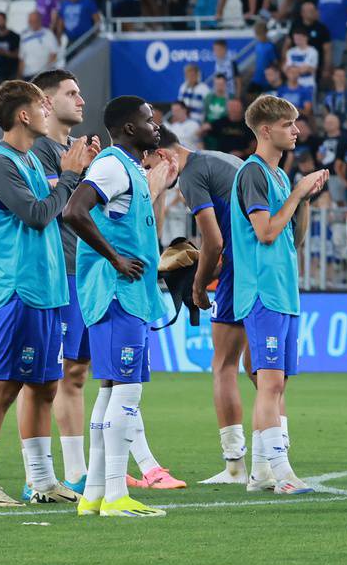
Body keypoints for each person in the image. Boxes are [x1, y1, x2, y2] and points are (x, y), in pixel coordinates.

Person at [0, 80, 94, 508]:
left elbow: (58, 207)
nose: (46, 111)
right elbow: (39, 215)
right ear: (24, 115)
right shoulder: (0, 163)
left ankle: (42, 480)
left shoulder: (29, 161)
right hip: (19, 290)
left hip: (48, 290)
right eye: (41, 105)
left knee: (45, 387)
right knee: (4, 386)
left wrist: (77, 176)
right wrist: (72, 176)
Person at [59, 96, 174, 517]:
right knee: (127, 391)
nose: (155, 126)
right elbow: (75, 210)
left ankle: (93, 495)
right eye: (148, 121)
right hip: (115, 293)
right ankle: (115, 495)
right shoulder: (111, 164)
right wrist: (114, 258)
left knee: (110, 390)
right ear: (129, 128)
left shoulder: (131, 171)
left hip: (127, 294)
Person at [25, 70, 123, 499]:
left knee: (77, 372)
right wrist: (81, 176)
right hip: (55, 274)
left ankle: (76, 472)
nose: (81, 100)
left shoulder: (75, 150)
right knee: (49, 375)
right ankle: (43, 475)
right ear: (45, 103)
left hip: (80, 272)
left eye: (81, 92)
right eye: (70, 93)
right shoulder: (39, 150)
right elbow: (53, 203)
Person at [229, 96, 328, 495]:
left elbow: (292, 237)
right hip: (262, 291)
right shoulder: (253, 173)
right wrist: (296, 193)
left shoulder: (280, 177)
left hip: (283, 291)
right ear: (266, 130)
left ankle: (260, 473)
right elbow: (265, 231)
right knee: (269, 383)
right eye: (289, 124)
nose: (296, 130)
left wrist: (303, 198)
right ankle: (283, 472)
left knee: (277, 385)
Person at [158, 126, 249, 482]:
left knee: (224, 365)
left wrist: (198, 285)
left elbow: (213, 240)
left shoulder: (192, 174)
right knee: (262, 369)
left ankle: (235, 465)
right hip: (267, 264)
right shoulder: (222, 159)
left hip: (239, 270)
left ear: (163, 155)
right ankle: (275, 459)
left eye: (150, 162)